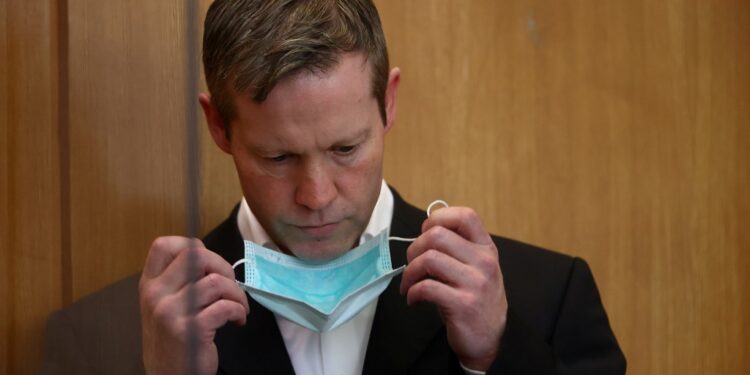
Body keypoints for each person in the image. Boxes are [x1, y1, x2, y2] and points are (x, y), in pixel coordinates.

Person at [41, 0, 625, 374]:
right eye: (277, 156)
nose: (317, 196)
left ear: (388, 103)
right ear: (218, 126)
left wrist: (498, 355)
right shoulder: (97, 342)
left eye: (345, 149)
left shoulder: (547, 299)